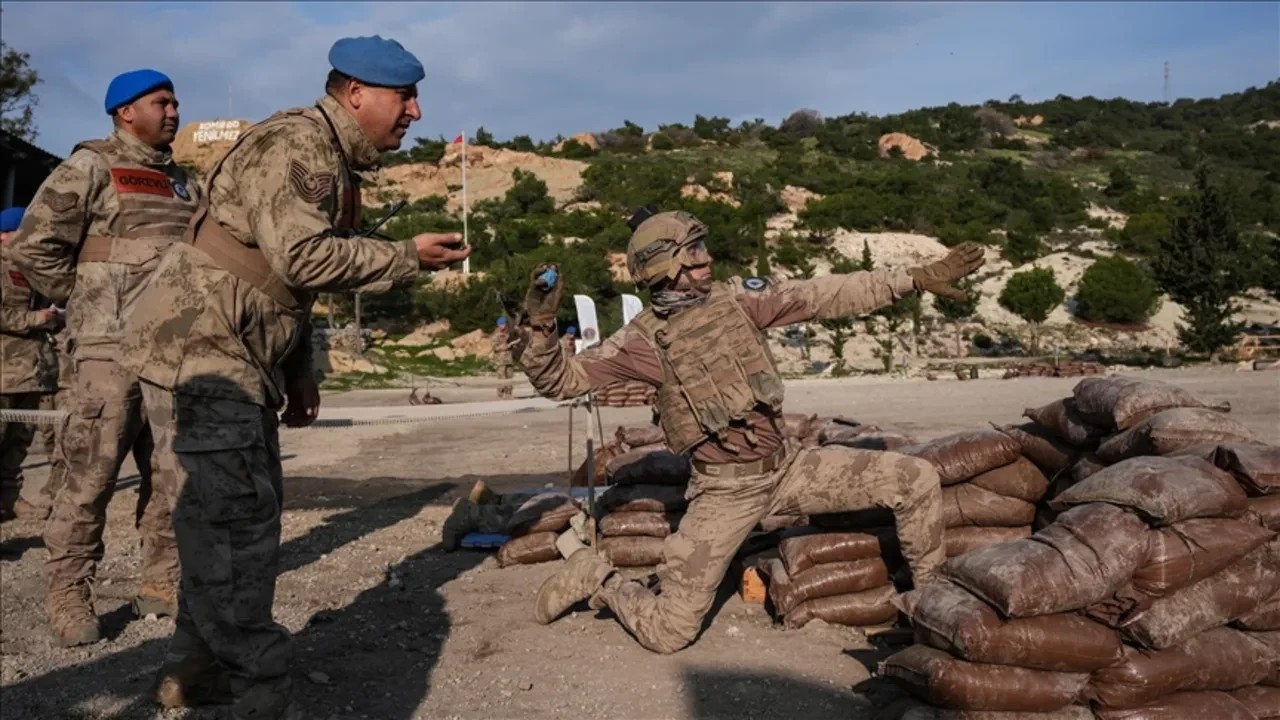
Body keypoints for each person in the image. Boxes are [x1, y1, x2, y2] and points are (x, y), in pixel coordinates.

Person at [117, 36, 469, 718]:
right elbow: (305, 259)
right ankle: (260, 687)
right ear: (355, 93)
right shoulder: (301, 145)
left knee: (224, 521)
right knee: (238, 528)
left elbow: (280, 281)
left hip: (234, 354)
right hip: (203, 353)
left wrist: (298, 370)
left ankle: (196, 674)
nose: (416, 113)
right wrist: (404, 256)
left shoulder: (328, 154)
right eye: (404, 97)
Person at [518, 207, 985, 654]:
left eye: (703, 249)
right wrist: (541, 329)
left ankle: (931, 607)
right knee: (668, 632)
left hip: (790, 468)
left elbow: (823, 295)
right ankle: (595, 579)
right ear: (666, 266)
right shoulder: (640, 340)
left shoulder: (738, 300)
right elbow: (563, 381)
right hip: (725, 493)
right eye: (695, 252)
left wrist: (914, 278)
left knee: (916, 478)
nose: (708, 259)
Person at [6, 69, 201, 647]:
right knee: (89, 477)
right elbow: (34, 246)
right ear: (124, 112)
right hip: (105, 352)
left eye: (174, 101)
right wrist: (89, 295)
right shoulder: (90, 167)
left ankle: (162, 583)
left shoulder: (184, 183)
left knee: (173, 474)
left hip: (172, 350)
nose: (173, 111)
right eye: (161, 102)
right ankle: (69, 593)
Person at [0, 206, 62, 521]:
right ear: (5, 234)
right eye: (23, 232)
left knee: (18, 443)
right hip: (4, 370)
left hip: (32, 371)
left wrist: (52, 320)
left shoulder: (33, 268)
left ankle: (9, 500)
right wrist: (36, 319)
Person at [492, 316, 515, 399]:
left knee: (510, 376)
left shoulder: (509, 332)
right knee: (501, 377)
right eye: (501, 324)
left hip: (509, 358)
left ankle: (509, 393)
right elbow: (494, 347)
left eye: (504, 324)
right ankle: (500, 394)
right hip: (500, 359)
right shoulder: (496, 334)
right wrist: (506, 346)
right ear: (498, 325)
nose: (502, 326)